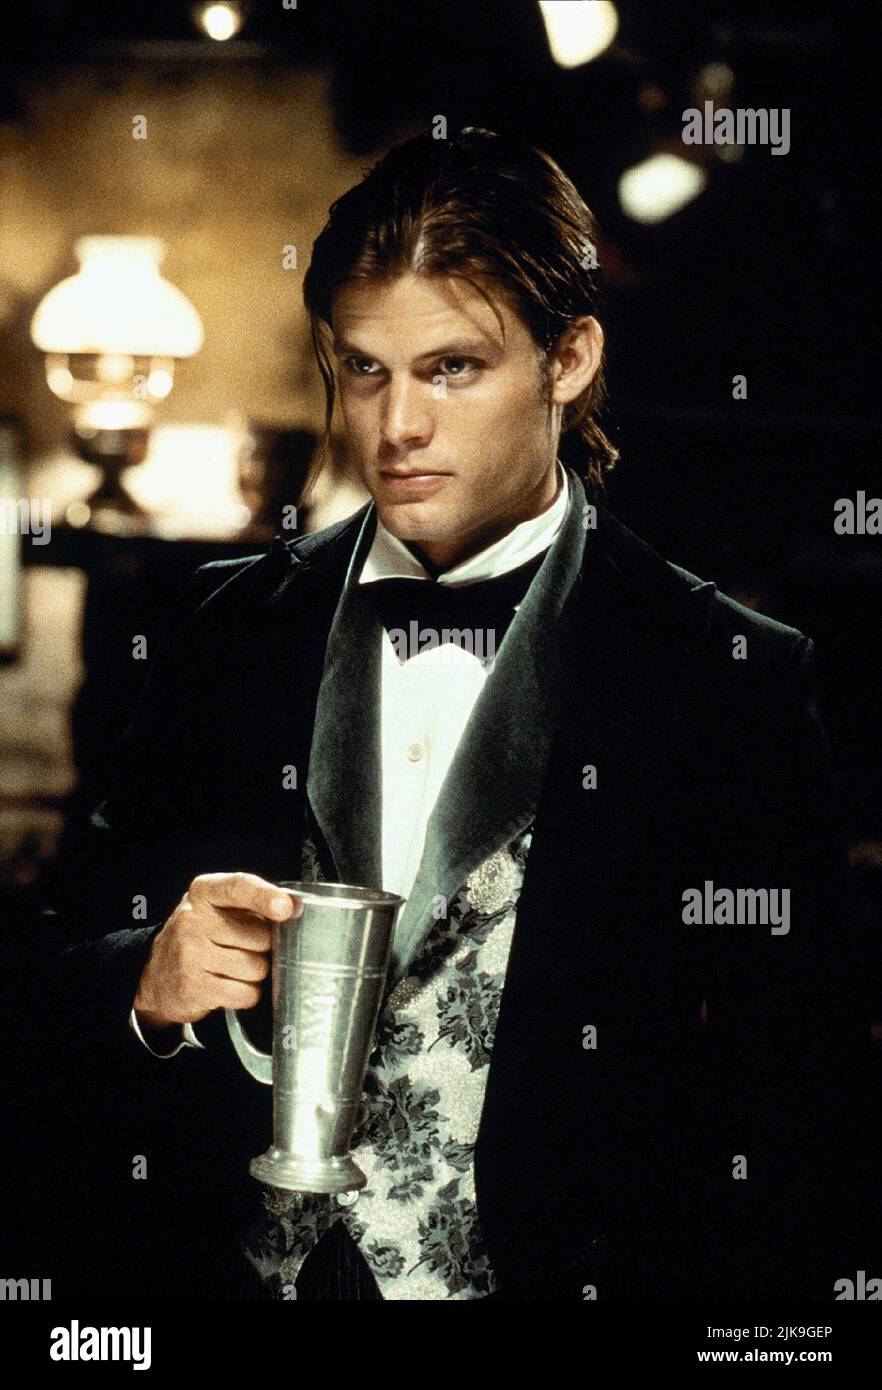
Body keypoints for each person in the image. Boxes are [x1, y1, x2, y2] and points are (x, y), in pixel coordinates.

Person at [33, 128, 876, 1300]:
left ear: (569, 358)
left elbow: (795, 1107)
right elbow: (52, 967)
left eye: (452, 369)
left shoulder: (725, 677)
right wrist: (145, 979)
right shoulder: (225, 627)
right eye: (365, 369)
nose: (396, 428)